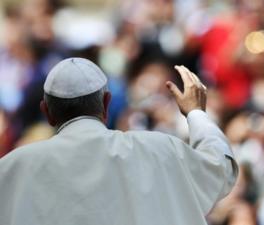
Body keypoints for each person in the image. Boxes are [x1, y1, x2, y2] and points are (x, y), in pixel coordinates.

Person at [0, 58, 238, 225]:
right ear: (106, 104)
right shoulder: (158, 149)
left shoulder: (10, 168)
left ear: (47, 112)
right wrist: (196, 113)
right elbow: (221, 168)